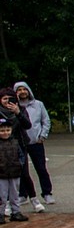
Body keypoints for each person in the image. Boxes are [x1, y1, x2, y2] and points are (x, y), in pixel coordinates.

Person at [14, 82, 52, 210]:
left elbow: (45, 121)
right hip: (20, 143)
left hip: (36, 142)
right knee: (22, 170)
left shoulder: (38, 104)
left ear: (29, 90)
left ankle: (47, 193)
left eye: (25, 89)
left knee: (41, 168)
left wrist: (43, 136)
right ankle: (23, 194)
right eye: (19, 90)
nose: (22, 91)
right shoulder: (14, 106)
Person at [0, 88, 31, 217]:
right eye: (4, 98)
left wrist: (18, 113)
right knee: (2, 190)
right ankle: (2, 211)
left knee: (16, 185)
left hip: (17, 145)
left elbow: (27, 125)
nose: (8, 101)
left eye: (10, 98)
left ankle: (16, 211)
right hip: (1, 150)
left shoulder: (20, 110)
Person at [0, 118, 27, 223]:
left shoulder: (15, 142)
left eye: (7, 130)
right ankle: (1, 214)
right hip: (1, 174)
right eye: (2, 130)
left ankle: (16, 212)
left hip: (15, 172)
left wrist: (20, 164)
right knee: (2, 195)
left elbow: (21, 155)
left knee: (15, 194)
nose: (5, 132)